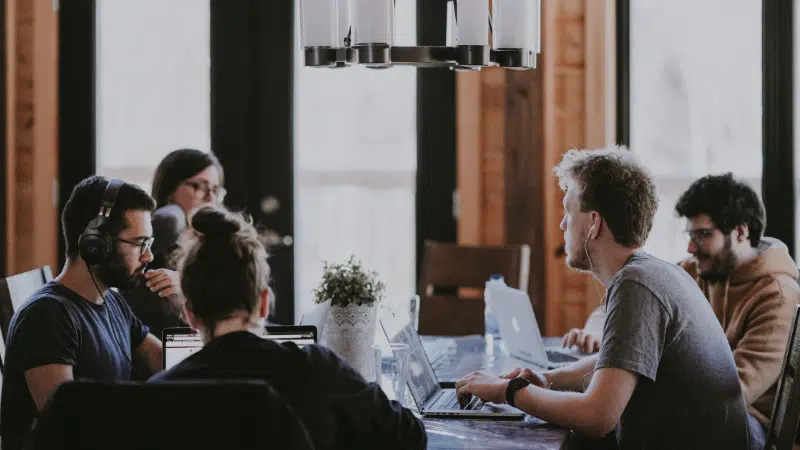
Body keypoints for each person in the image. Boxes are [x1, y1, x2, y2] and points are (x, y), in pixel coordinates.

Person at [455, 147, 751, 450]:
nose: (562, 225)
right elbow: (619, 360)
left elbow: (597, 417)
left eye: (568, 212)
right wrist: (547, 379)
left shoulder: (636, 285)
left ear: (594, 224)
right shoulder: (655, 273)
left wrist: (508, 390)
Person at [148, 205, 426, 450]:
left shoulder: (158, 395)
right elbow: (410, 436)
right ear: (264, 302)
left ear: (190, 313)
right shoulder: (317, 370)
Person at [0, 176, 176, 450]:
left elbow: (173, 366)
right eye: (140, 243)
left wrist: (189, 300)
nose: (148, 256)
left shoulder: (113, 304)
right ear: (95, 244)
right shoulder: (47, 316)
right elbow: (65, 430)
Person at [674, 173, 800, 447]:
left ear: (741, 232)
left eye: (703, 235)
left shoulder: (778, 294)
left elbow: (732, 393)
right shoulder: (694, 270)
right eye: (689, 234)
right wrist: (595, 331)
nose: (690, 247)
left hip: (748, 426)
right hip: (701, 408)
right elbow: (638, 306)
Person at [123, 149, 225, 341]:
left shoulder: (214, 241)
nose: (210, 199)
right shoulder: (162, 230)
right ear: (170, 191)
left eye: (215, 190)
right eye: (199, 186)